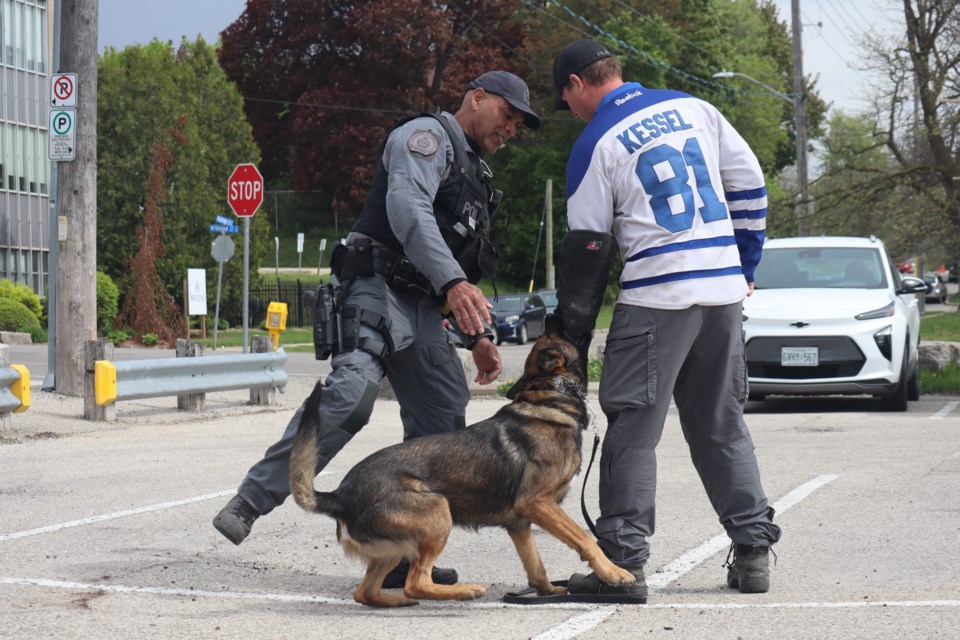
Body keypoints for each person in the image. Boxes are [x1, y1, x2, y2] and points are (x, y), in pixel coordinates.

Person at [213, 70, 541, 589]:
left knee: (444, 413)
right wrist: (454, 283)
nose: (511, 130)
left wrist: (477, 335)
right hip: (375, 285)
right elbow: (408, 211)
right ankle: (251, 501)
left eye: (519, 125)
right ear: (477, 98)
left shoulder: (476, 177)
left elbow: (456, 258)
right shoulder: (425, 140)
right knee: (354, 391)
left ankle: (404, 554)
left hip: (425, 306)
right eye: (507, 116)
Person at [549, 40, 782, 600]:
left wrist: (570, 337)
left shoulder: (595, 142)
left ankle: (624, 565)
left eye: (567, 100)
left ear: (579, 84)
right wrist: (744, 263)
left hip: (657, 296)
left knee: (633, 432)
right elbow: (750, 184)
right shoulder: (695, 107)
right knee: (721, 426)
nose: (572, 112)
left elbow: (588, 249)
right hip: (723, 292)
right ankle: (753, 553)